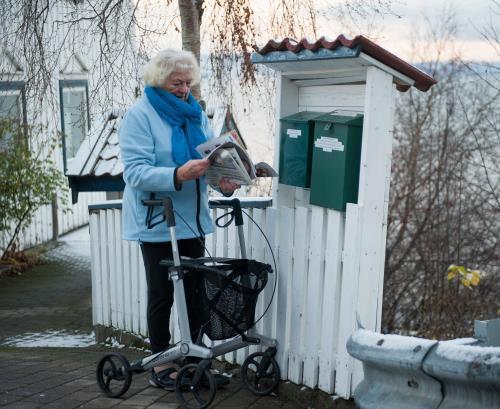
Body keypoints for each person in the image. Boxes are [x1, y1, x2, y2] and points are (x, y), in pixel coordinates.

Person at [118, 49, 239, 391]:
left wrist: (225, 182)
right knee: (163, 295)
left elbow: (211, 161)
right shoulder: (139, 116)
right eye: (177, 83)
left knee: (197, 293)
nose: (184, 89)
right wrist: (177, 173)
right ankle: (161, 364)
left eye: (188, 82)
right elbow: (136, 173)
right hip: (159, 222)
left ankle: (196, 363)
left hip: (194, 221)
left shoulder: (197, 114)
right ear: (160, 81)